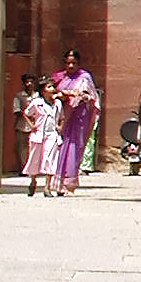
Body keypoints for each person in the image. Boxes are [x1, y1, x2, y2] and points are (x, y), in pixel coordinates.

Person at [51, 49, 100, 196]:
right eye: (68, 63)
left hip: (78, 118)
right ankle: (57, 183)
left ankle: (69, 184)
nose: (71, 66)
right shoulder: (61, 78)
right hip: (63, 118)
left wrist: (76, 95)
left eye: (73, 63)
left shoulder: (84, 77)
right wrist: (61, 95)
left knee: (74, 147)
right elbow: (51, 93)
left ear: (79, 64)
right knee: (60, 146)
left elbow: (90, 97)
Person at [22, 77, 61, 196]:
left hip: (52, 134)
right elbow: (26, 113)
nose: (52, 89)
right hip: (38, 134)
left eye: (53, 87)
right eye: (49, 87)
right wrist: (31, 126)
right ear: (43, 90)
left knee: (50, 159)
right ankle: (33, 181)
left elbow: (62, 117)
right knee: (35, 158)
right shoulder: (36, 103)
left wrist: (60, 127)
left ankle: (47, 187)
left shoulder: (57, 103)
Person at [12, 73, 37, 174]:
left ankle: (32, 169)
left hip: (35, 126)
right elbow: (17, 110)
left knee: (34, 148)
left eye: (31, 81)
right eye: (27, 82)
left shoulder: (37, 96)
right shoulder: (19, 96)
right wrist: (27, 115)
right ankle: (23, 169)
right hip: (22, 125)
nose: (29, 84)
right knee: (22, 149)